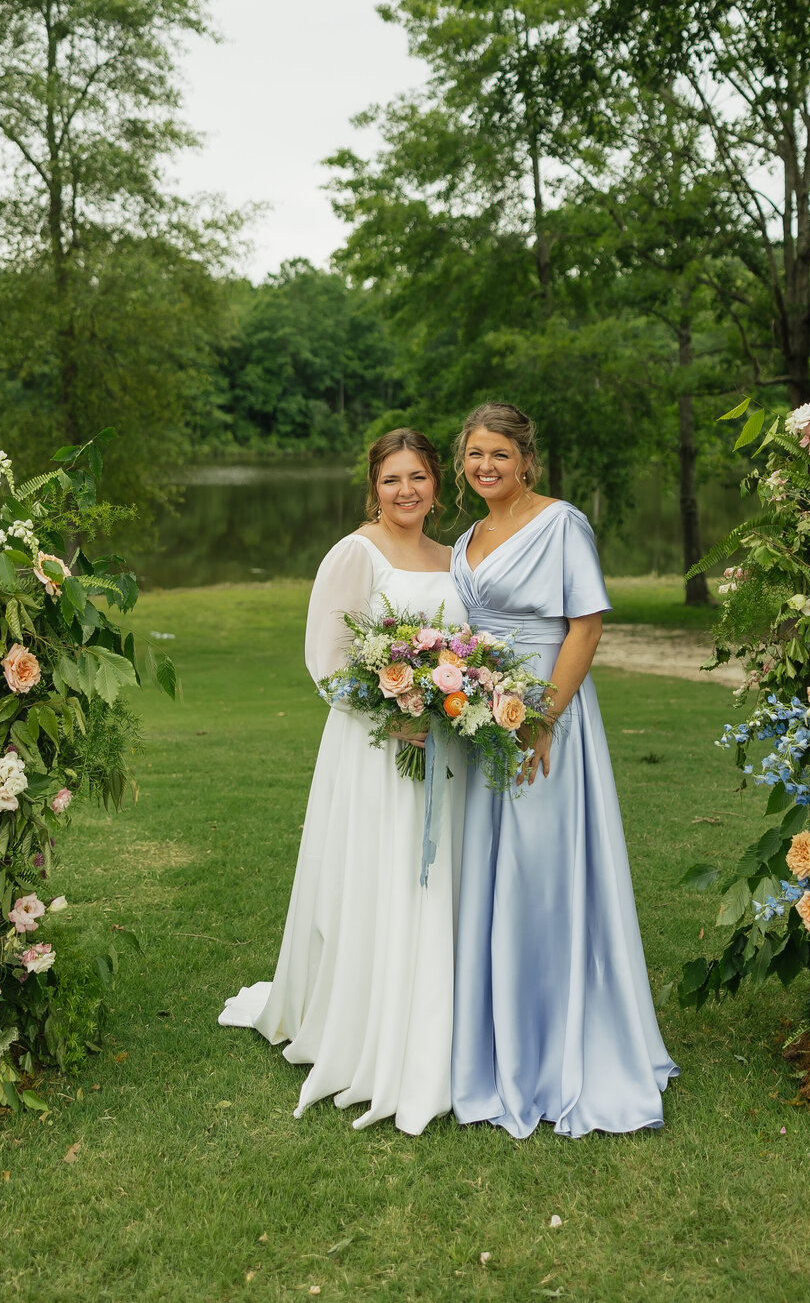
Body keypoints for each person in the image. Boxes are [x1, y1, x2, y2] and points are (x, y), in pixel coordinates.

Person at [219, 428, 465, 1134]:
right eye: (392, 480)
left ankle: (431, 1021)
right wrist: (393, 718)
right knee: (380, 876)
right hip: (373, 749)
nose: (406, 491)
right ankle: (364, 1028)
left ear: (435, 484)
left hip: (441, 745)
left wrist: (448, 700)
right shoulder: (353, 553)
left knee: (432, 877)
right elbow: (327, 660)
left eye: (418, 477)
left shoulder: (454, 559)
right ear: (373, 487)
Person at [449, 402, 678, 1138]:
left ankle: (553, 1051)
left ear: (527, 461)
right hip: (481, 721)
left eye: (499, 456)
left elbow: (586, 625)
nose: (486, 467)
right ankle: (493, 1041)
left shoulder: (560, 523)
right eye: (475, 455)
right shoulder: (470, 536)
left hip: (547, 716)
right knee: (488, 874)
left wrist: (543, 716)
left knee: (541, 874)